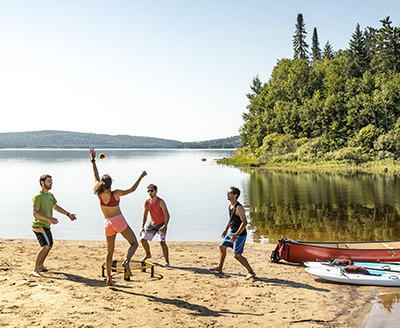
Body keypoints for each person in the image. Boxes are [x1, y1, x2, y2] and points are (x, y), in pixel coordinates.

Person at [90, 148, 146, 286]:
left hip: (107, 223)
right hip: (118, 221)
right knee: (134, 243)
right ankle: (126, 261)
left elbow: (96, 175)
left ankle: (109, 278)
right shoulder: (115, 193)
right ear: (111, 184)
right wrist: (141, 176)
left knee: (109, 251)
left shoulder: (99, 194)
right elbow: (132, 189)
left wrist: (93, 159)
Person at [31, 174, 77, 277]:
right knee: (45, 246)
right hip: (38, 225)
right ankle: (35, 270)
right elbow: (35, 213)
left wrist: (68, 214)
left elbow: (56, 206)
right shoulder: (38, 196)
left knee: (50, 245)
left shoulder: (50, 195)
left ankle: (41, 265)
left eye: (51, 181)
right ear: (42, 183)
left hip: (46, 225)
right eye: (48, 181)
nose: (51, 183)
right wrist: (49, 219)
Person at [210, 186, 256, 279]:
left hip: (239, 235)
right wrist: (226, 229)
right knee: (222, 247)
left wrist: (237, 234)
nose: (227, 194)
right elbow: (231, 218)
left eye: (229, 193)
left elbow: (245, 222)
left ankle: (251, 272)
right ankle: (219, 268)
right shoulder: (230, 206)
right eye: (228, 192)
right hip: (231, 233)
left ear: (235, 195)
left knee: (237, 255)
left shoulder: (239, 207)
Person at [140, 184, 170, 266]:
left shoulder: (161, 202)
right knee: (143, 239)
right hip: (152, 225)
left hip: (161, 224)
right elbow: (145, 215)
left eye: (152, 190)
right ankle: (148, 254)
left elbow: (167, 215)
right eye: (148, 191)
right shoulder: (146, 202)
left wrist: (164, 227)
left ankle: (167, 262)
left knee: (162, 242)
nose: (150, 192)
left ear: (156, 191)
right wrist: (142, 227)